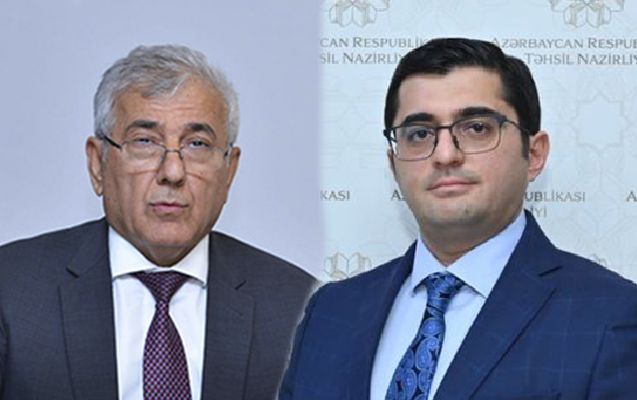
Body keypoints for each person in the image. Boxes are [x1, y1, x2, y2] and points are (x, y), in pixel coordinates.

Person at [279, 38, 637, 399]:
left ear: (534, 154)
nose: (445, 155)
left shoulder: (610, 316)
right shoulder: (330, 312)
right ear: (394, 164)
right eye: (420, 134)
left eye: (477, 128)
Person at [0, 44, 315, 400]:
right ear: (97, 164)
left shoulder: (300, 307)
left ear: (229, 171)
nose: (173, 172)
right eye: (145, 142)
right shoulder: (11, 290)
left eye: (197, 144)